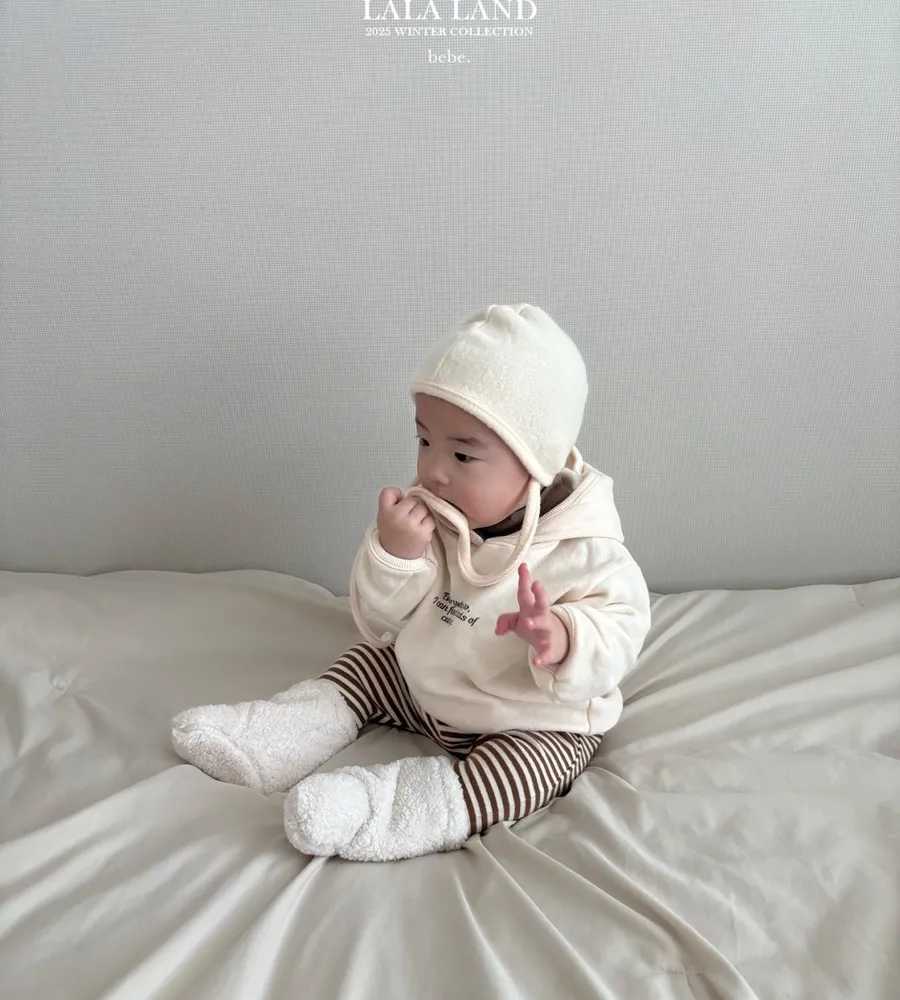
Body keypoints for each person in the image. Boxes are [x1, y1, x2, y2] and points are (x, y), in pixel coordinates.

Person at [172, 303, 651, 861]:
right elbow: (382, 621)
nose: (433, 471)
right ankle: (276, 736)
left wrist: (564, 637)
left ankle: (388, 807)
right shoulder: (434, 512)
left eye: (462, 454)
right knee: (370, 662)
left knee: (529, 771)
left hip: (525, 717)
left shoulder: (588, 550)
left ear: (535, 463)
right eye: (425, 442)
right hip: (427, 684)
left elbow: (623, 627)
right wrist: (395, 556)